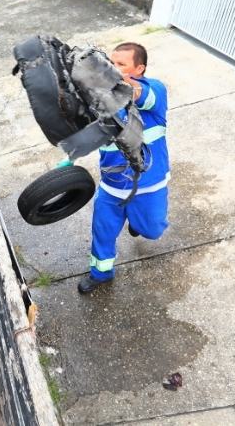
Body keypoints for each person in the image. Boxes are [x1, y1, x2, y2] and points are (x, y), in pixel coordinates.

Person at [77, 42, 170, 294]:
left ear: (139, 69)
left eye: (121, 64)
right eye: (111, 62)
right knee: (102, 232)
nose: (113, 68)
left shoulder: (155, 90)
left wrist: (116, 81)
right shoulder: (101, 101)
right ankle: (101, 273)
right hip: (112, 188)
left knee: (153, 230)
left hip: (149, 186)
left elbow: (138, 92)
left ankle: (138, 224)